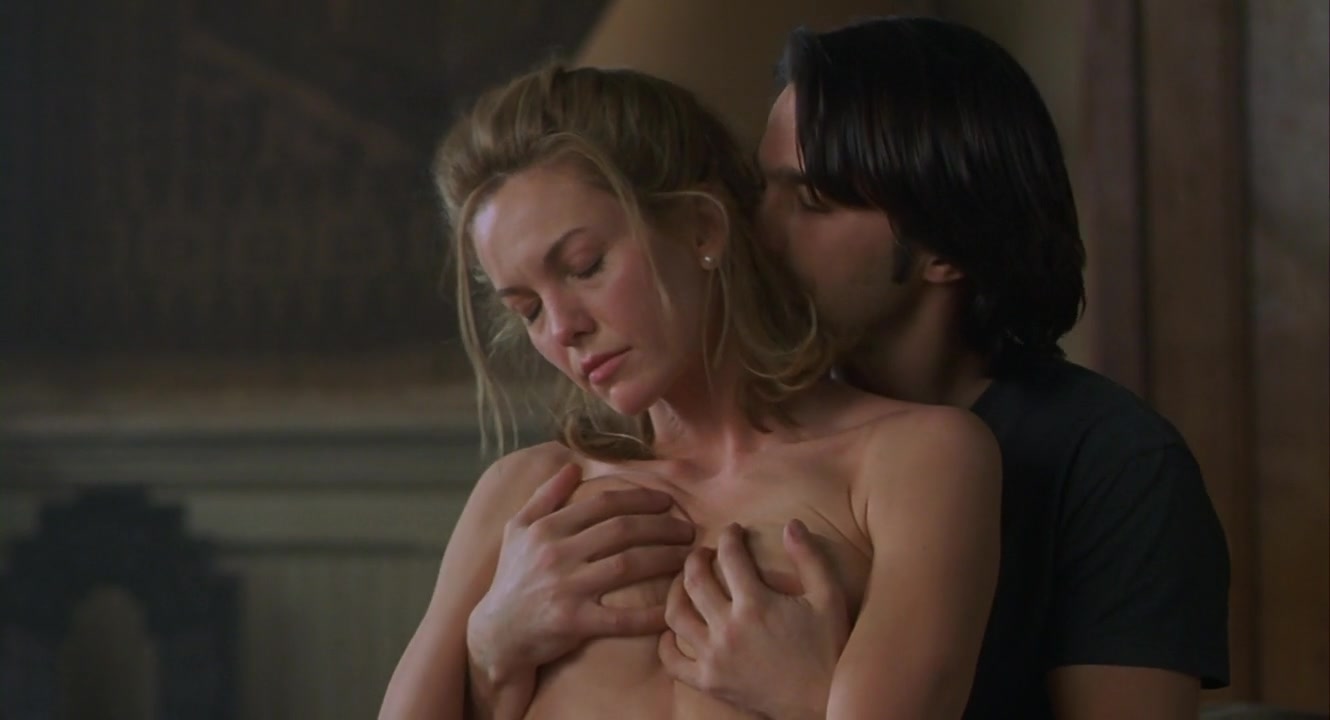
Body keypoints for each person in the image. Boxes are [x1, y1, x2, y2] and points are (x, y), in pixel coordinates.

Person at [458, 15, 1231, 720]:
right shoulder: (656, 445)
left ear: (944, 248)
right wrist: (490, 650)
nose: (755, 228)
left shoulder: (1109, 461)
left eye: (812, 202)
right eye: (762, 189)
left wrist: (811, 697)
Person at [378, 61, 1002, 720]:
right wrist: (491, 651)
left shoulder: (916, 459)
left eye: (586, 267)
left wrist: (802, 696)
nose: (562, 328)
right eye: (527, 308)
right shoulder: (525, 493)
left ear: (702, 227)